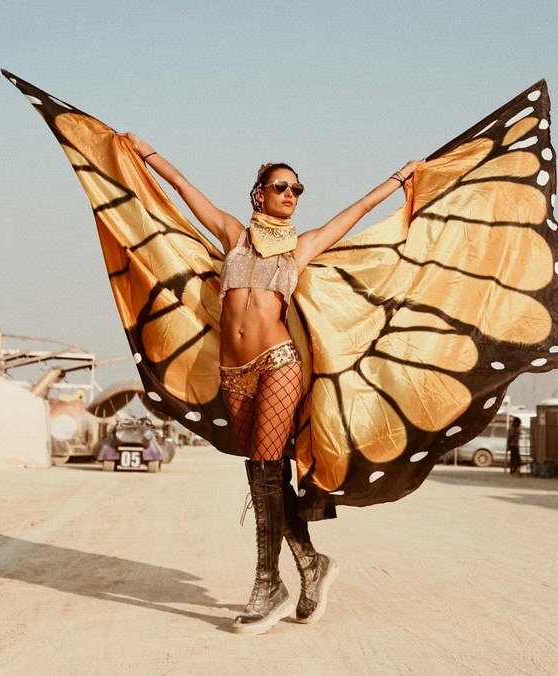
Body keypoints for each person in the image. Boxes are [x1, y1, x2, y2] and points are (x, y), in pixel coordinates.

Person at [125, 131, 420, 634]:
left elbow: (357, 211)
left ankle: (268, 584)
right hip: (233, 371)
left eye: (297, 189)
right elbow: (178, 184)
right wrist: (141, 152)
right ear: (259, 192)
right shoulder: (232, 234)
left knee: (266, 468)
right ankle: (310, 562)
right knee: (264, 478)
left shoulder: (300, 249)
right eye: (281, 186)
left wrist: (398, 179)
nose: (290, 194)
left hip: (278, 362)